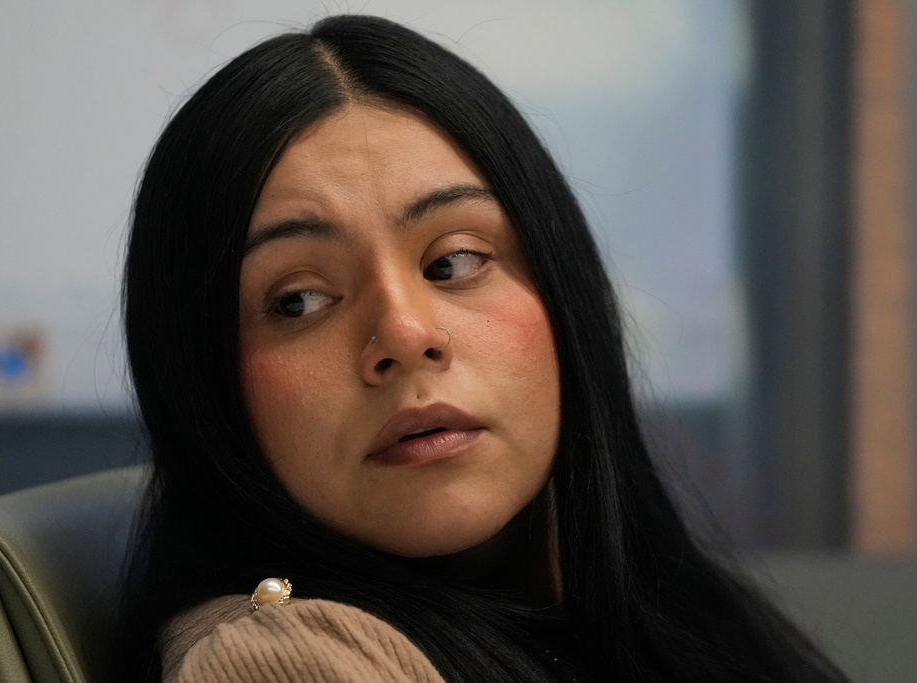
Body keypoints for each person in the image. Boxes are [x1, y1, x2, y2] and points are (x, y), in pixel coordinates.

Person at [117, 14, 849, 682]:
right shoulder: (285, 659)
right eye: (298, 300)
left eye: (454, 262)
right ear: (200, 381)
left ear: (563, 291)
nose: (404, 336)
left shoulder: (648, 612)